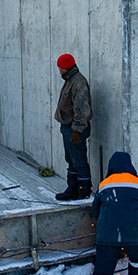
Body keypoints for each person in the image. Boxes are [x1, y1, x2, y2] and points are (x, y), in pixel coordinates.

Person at [54, 53, 93, 200]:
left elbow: (82, 109)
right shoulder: (70, 79)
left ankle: (83, 192)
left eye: (60, 67)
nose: (59, 70)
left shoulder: (78, 82)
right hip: (68, 127)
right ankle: (72, 189)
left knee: (79, 160)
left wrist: (76, 130)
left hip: (75, 128)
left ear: (65, 68)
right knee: (71, 159)